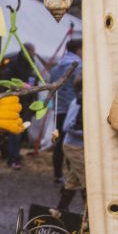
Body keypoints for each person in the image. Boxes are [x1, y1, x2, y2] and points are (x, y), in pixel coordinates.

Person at [50, 36, 83, 184]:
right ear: (78, 50)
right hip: (74, 109)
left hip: (59, 108)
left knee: (59, 141)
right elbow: (80, 87)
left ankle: (57, 174)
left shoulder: (56, 67)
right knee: (74, 142)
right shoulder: (78, 66)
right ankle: (74, 173)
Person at [58, 74, 85, 211]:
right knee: (88, 180)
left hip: (83, 147)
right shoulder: (77, 103)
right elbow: (67, 126)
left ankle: (61, 209)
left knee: (73, 180)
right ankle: (91, 214)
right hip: (74, 146)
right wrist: (87, 134)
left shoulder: (90, 104)